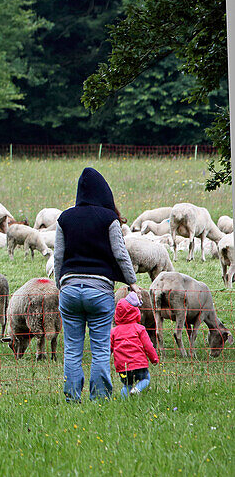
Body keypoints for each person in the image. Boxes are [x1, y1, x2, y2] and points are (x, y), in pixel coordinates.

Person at [54, 167, 141, 401]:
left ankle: (72, 398)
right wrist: (132, 283)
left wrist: (59, 285)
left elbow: (58, 256)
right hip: (99, 290)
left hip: (69, 289)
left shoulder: (65, 218)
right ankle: (100, 397)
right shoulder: (108, 218)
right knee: (100, 349)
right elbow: (121, 253)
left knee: (72, 349)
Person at [111, 292, 159, 396]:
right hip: (139, 364)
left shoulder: (114, 331)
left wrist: (104, 360)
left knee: (127, 385)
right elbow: (148, 346)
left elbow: (108, 348)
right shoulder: (139, 328)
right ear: (135, 312)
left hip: (123, 366)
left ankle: (123, 401)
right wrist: (154, 358)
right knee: (146, 379)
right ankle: (137, 390)